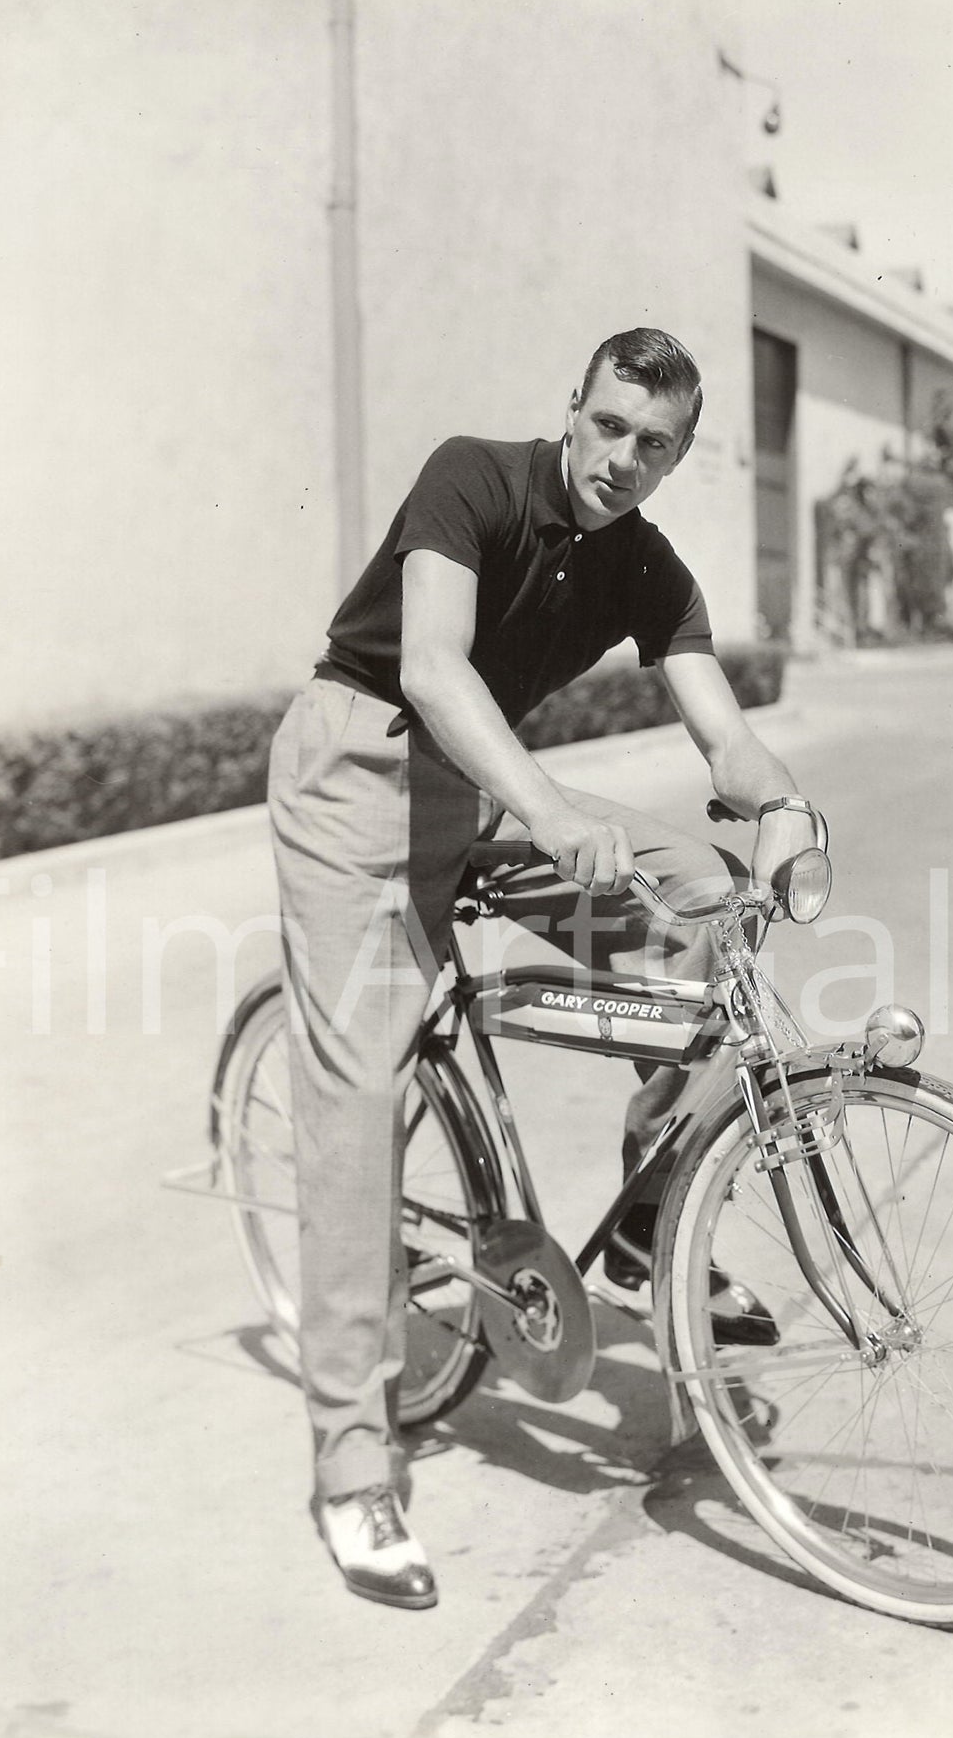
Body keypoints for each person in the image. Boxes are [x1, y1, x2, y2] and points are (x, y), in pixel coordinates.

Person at [267, 328, 821, 1610]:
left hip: (472, 783)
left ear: (679, 457)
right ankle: (354, 1467)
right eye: (611, 427)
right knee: (355, 1100)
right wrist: (558, 814)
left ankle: (645, 1221)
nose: (624, 460)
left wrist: (784, 808)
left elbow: (725, 735)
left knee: (697, 899)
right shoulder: (471, 477)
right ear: (572, 407)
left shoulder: (646, 566)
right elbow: (429, 666)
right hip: (359, 768)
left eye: (656, 446)